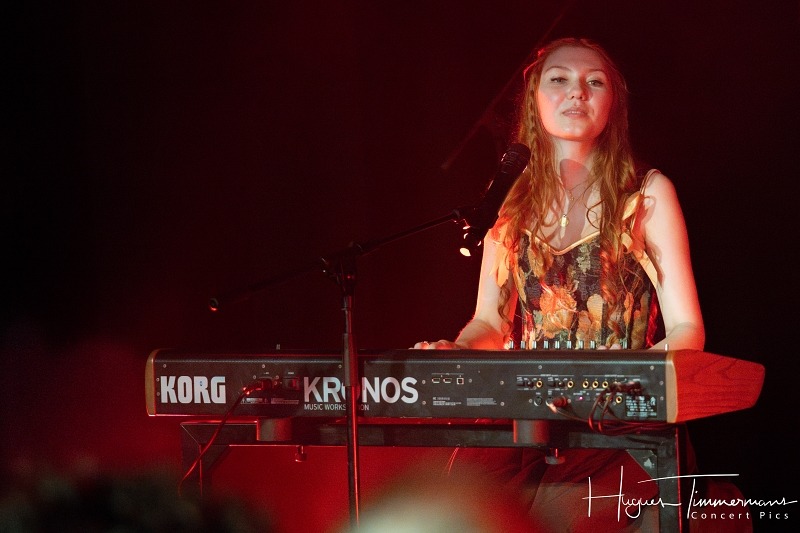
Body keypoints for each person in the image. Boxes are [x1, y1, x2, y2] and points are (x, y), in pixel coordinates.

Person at [411, 37, 735, 532]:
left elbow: (688, 330)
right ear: (534, 100)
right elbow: (489, 323)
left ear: (613, 104)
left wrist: (627, 383)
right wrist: (455, 349)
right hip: (530, 418)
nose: (577, 91)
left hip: (619, 421)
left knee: (558, 516)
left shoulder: (646, 193)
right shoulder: (508, 201)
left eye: (594, 82)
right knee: (462, 504)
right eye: (559, 79)